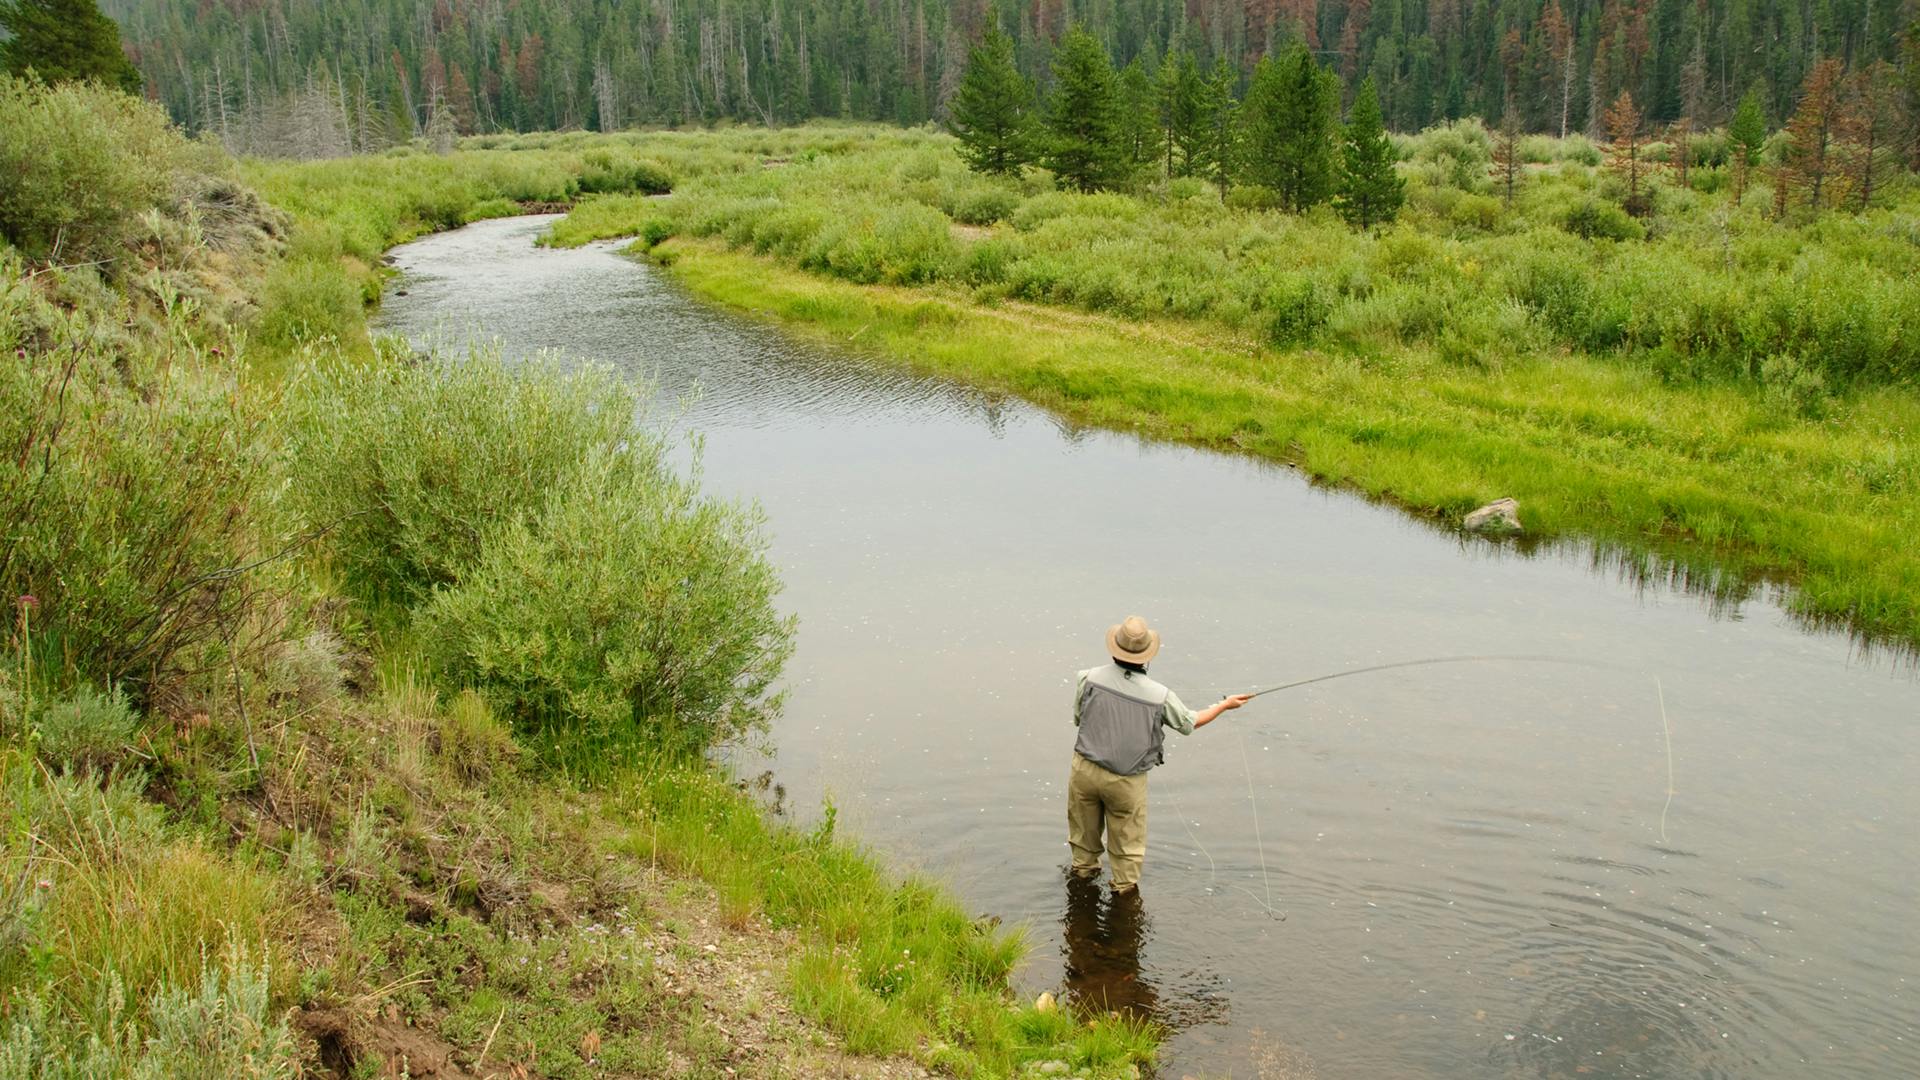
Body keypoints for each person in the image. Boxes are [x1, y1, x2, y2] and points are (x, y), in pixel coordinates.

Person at [1069, 614, 1252, 893]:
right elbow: (1189, 723)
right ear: (1146, 656)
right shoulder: (1160, 695)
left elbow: (1079, 718)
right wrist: (1224, 705)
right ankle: (1123, 898)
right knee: (1127, 851)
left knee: (1083, 841)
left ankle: (1081, 885)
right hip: (1126, 781)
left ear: (1115, 648)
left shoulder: (1087, 677)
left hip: (1084, 770)